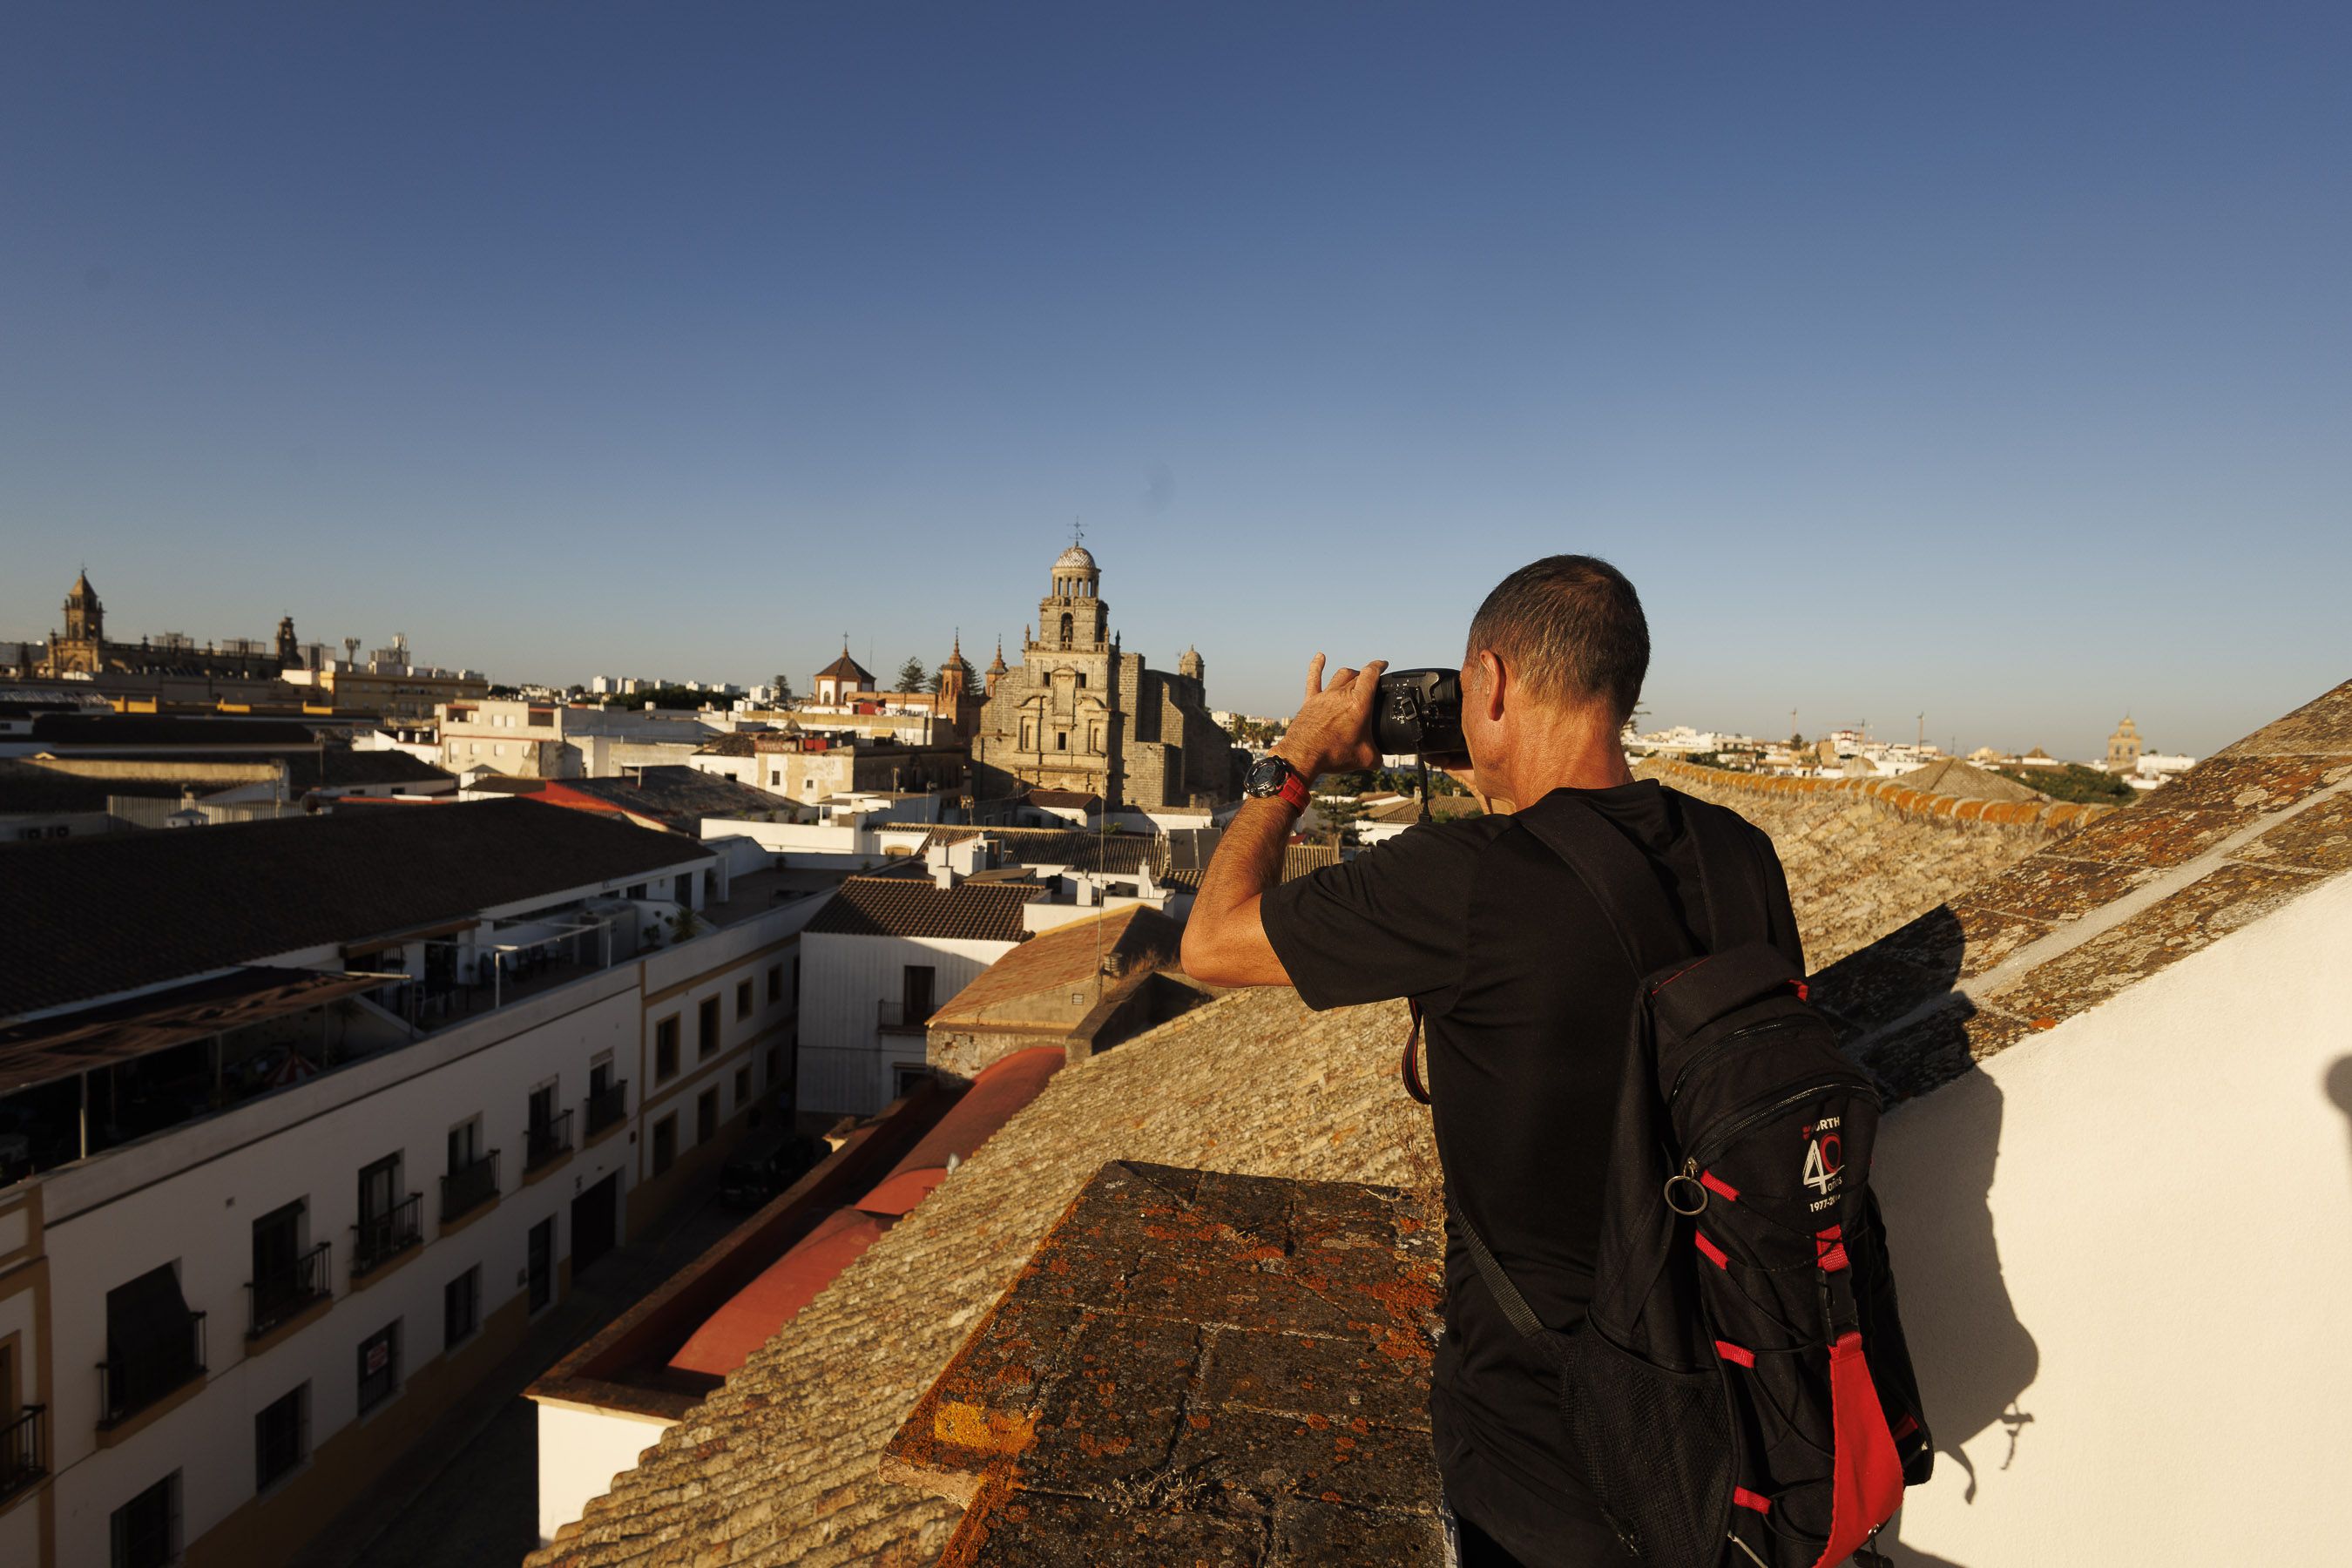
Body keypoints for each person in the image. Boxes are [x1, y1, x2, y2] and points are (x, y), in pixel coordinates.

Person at [1181, 555, 1804, 1568]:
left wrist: (1287, 763)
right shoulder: (1743, 856)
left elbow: (1209, 943)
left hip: (1544, 1459)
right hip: (1731, 1414)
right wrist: (1504, 777)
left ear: (1493, 682)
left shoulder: (1461, 882)